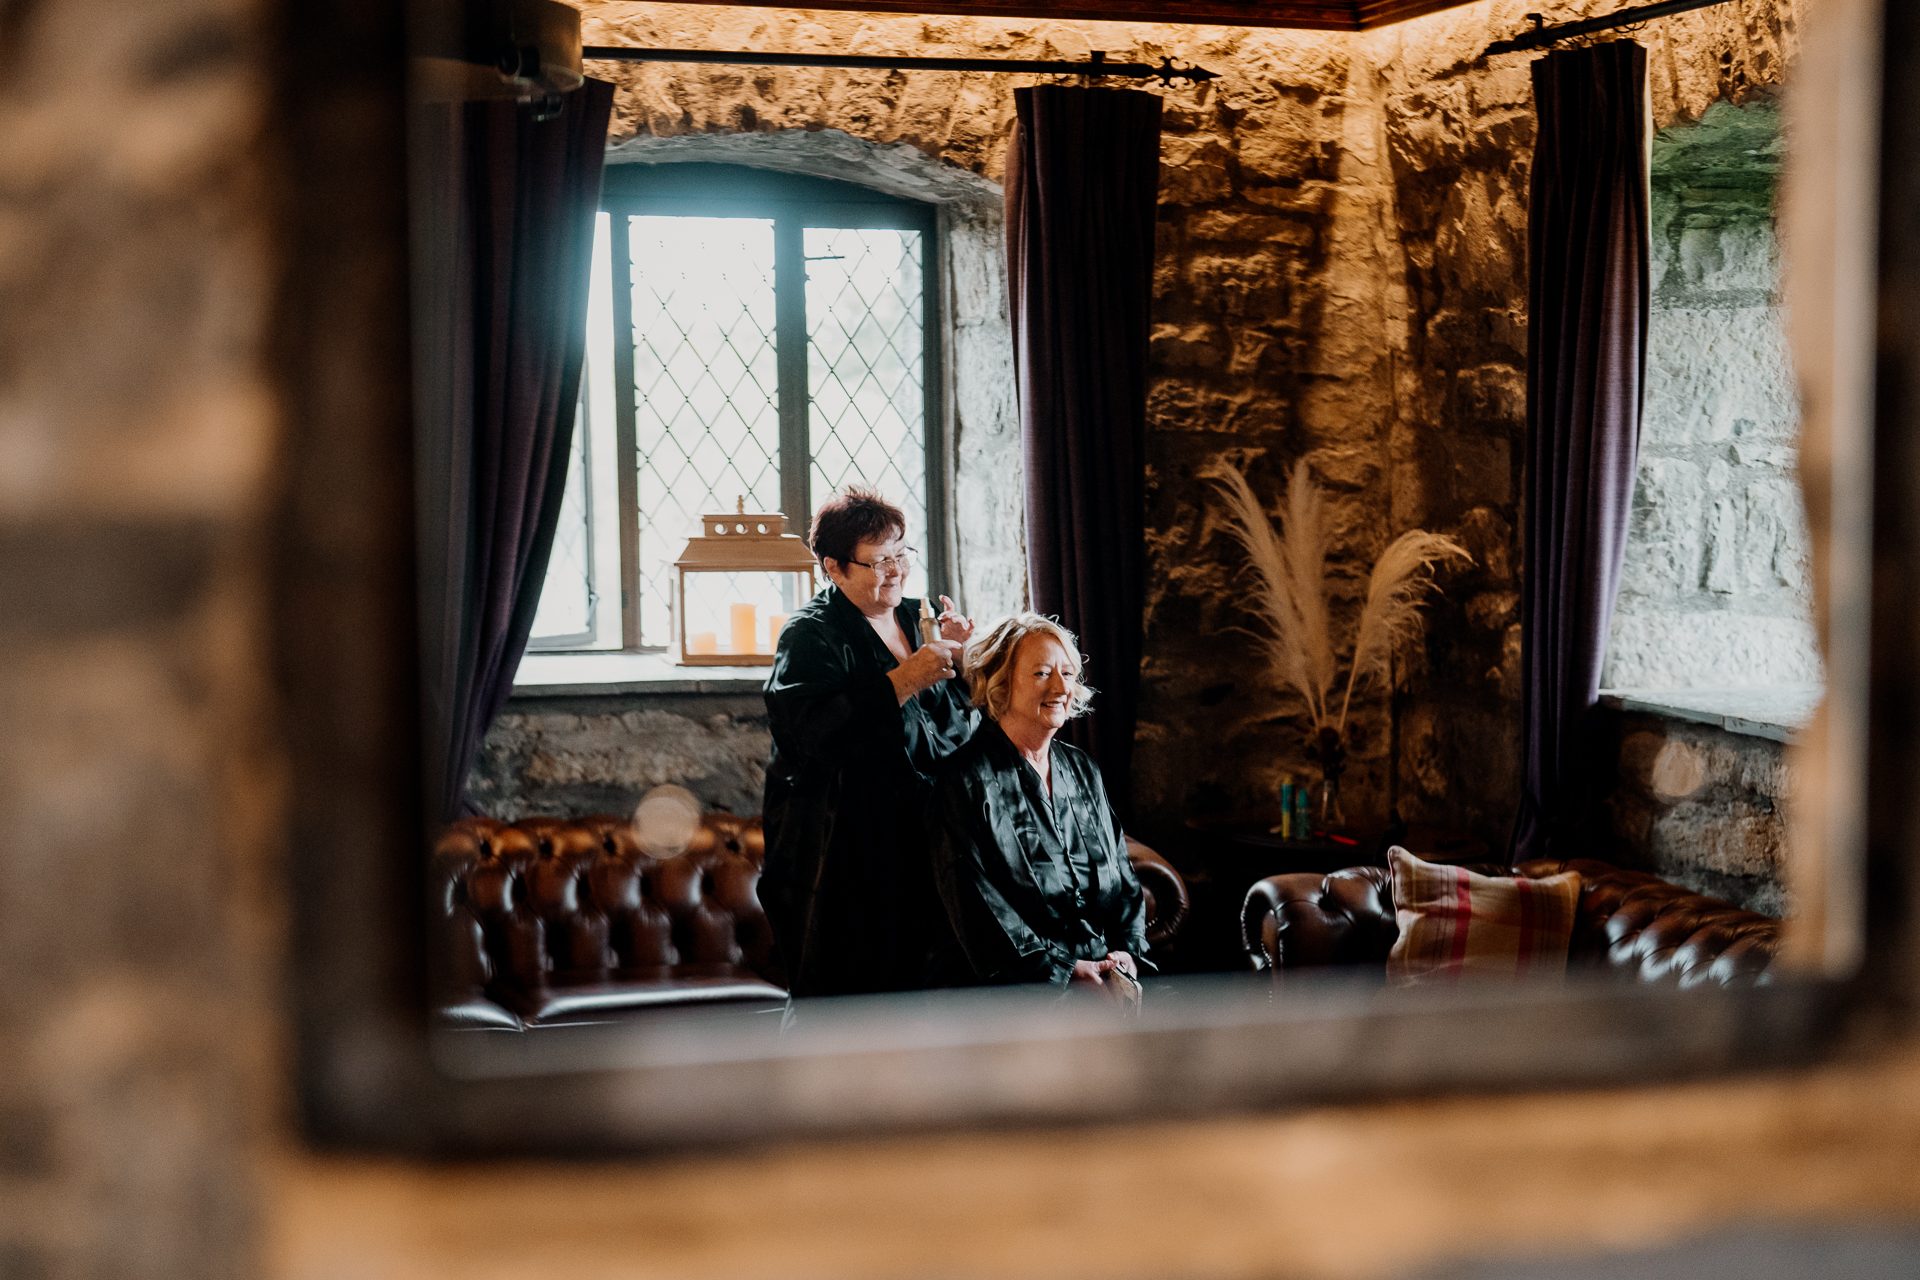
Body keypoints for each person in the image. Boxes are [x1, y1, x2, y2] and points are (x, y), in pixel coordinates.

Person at [760, 486, 978, 997]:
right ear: (834, 568)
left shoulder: (914, 619)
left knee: (933, 981)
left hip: (928, 835)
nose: (896, 570)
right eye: (879, 561)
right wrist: (906, 678)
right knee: (856, 986)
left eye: (901, 554)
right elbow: (814, 732)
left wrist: (966, 662)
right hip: (847, 851)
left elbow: (947, 725)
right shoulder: (808, 635)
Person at [926, 614, 1150, 993]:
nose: (1062, 686)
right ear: (1000, 683)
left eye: (1067, 672)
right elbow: (976, 911)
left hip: (1104, 975)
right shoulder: (960, 783)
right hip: (1013, 991)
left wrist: (1126, 950)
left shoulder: (1082, 769)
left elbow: (1124, 880)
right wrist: (1064, 972)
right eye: (1042, 673)